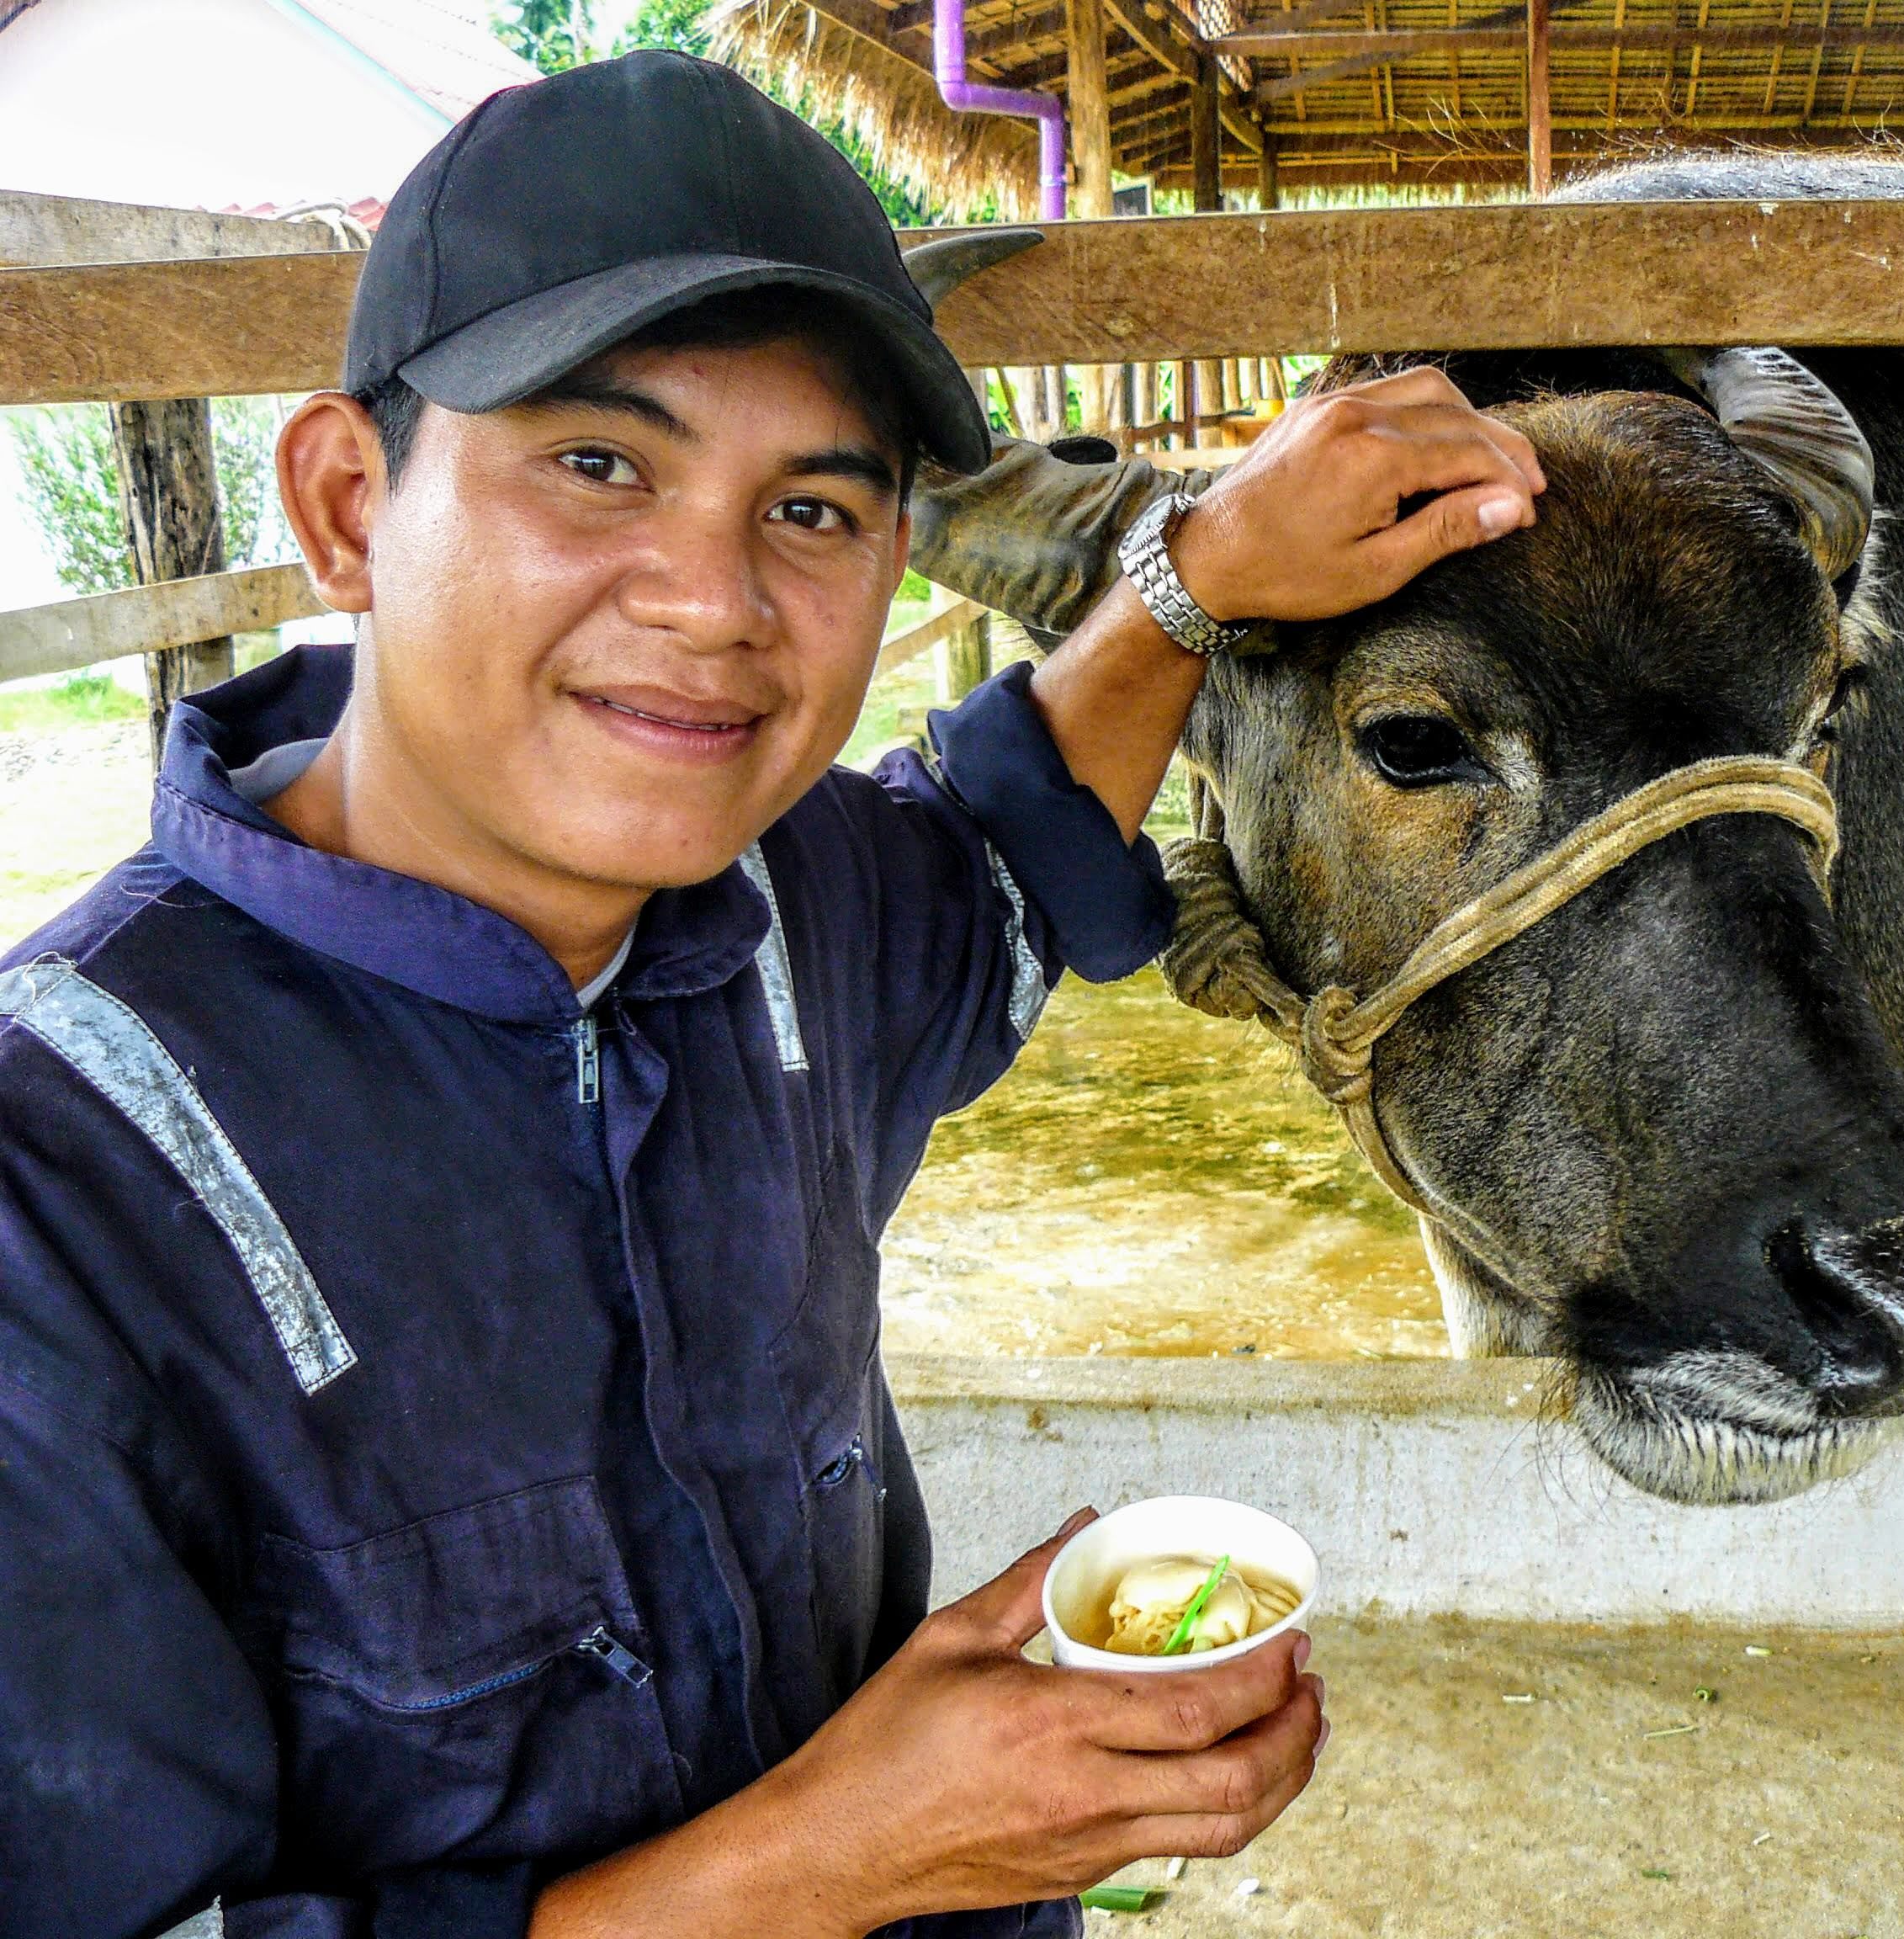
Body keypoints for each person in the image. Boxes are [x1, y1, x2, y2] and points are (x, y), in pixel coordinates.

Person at [0, 50, 1543, 1939]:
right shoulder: (51, 1188)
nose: (714, 601)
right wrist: (847, 1859)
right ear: (343, 504)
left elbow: (1003, 832)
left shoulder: (780, 911)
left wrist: (1203, 570)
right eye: (597, 465)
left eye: (813, 510)